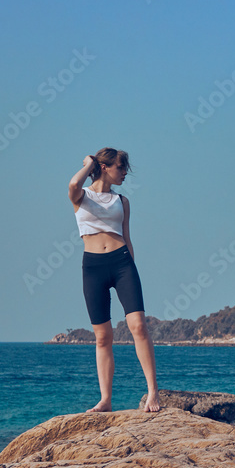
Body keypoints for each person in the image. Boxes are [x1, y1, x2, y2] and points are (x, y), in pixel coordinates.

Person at [68, 148, 161, 413]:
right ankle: (106, 400)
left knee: (139, 326)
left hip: (122, 263)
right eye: (121, 168)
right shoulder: (81, 197)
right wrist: (88, 164)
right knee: (103, 337)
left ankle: (153, 392)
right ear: (105, 167)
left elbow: (127, 236)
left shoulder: (122, 200)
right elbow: (74, 183)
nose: (124, 173)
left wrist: (131, 267)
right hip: (93, 267)